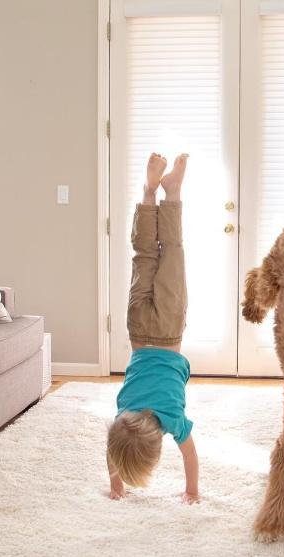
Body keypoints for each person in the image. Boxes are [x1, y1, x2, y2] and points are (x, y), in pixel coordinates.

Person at [106, 153, 199, 504]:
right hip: (138, 329)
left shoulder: (172, 420)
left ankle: (171, 193)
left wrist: (191, 491)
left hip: (168, 328)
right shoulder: (121, 416)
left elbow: (189, 455)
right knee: (144, 255)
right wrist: (116, 483)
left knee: (171, 253)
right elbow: (113, 451)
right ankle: (149, 193)